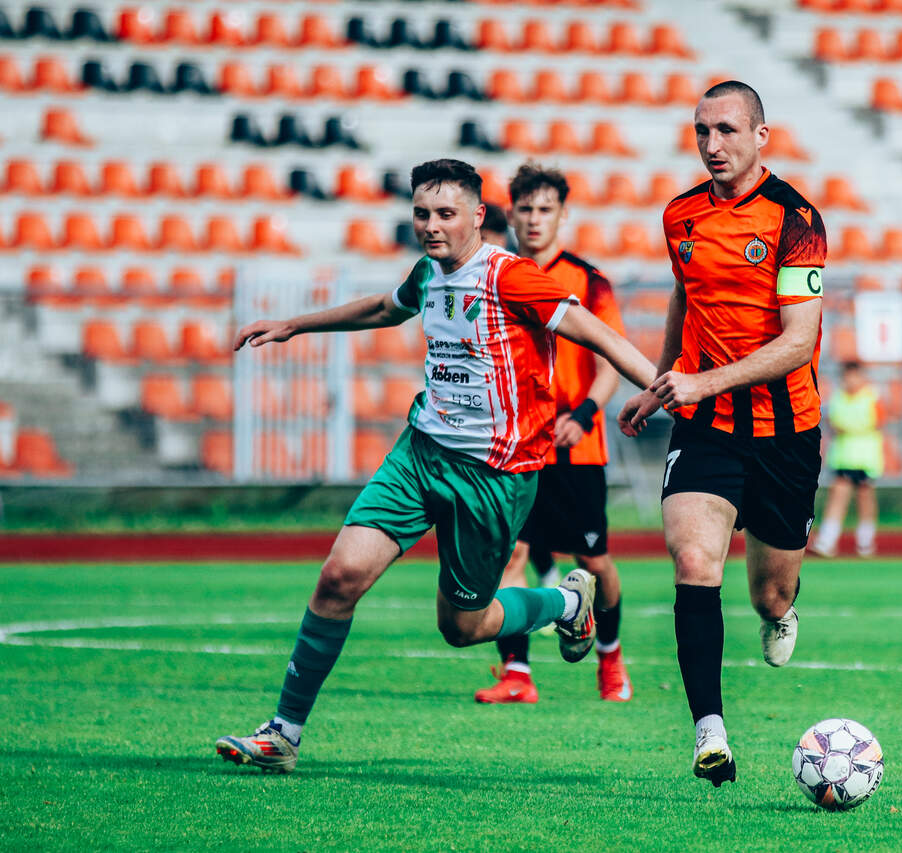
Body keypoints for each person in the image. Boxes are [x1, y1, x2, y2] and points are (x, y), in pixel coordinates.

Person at [215, 158, 657, 774]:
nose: (431, 225)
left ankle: (563, 604)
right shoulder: (429, 272)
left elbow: (599, 335)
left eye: (446, 214)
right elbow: (384, 308)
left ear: (478, 216)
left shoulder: (512, 277)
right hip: (420, 455)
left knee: (462, 627)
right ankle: (283, 734)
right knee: (338, 577)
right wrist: (295, 325)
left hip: (493, 477)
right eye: (422, 213)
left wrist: (669, 393)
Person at [618, 81, 826, 787]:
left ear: (761, 136)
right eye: (702, 131)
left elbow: (798, 343)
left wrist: (703, 381)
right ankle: (710, 730)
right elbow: (687, 295)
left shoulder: (797, 219)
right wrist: (661, 384)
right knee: (694, 559)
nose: (712, 144)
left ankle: (780, 612)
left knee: (769, 595)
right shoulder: (679, 214)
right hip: (705, 428)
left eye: (728, 130)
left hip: (785, 431)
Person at [474, 163, 633, 705]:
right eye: (526, 209)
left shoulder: (589, 280)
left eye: (546, 209)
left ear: (563, 215)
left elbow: (610, 359)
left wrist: (585, 413)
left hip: (577, 445)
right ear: (511, 214)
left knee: (594, 561)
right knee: (510, 557)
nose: (535, 219)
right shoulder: (494, 274)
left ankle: (610, 658)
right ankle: (517, 674)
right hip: (515, 445)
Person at [809, 361, 884, 558]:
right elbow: (834, 423)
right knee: (838, 496)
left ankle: (865, 542)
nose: (850, 380)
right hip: (843, 457)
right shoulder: (838, 397)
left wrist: (849, 427)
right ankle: (827, 541)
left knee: (865, 499)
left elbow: (877, 421)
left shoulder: (871, 397)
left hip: (866, 458)